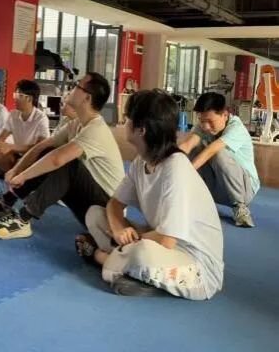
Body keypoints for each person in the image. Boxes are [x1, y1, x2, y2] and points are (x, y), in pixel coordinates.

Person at [81, 90, 224, 300]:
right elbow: (114, 204)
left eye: (128, 118)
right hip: (157, 241)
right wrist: (119, 230)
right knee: (95, 214)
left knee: (141, 253)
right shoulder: (141, 162)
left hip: (196, 267)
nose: (125, 122)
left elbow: (167, 241)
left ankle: (100, 257)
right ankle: (127, 270)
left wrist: (128, 241)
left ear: (142, 130)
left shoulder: (175, 168)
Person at [0, 73, 125, 241]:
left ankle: (23, 219)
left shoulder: (96, 130)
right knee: (48, 151)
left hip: (108, 215)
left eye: (77, 85)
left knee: (68, 164)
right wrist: (16, 170)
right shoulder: (75, 124)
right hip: (88, 205)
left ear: (87, 98)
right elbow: (41, 147)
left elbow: (58, 159)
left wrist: (23, 175)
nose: (71, 88)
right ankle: (7, 200)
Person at [179, 92, 259, 227]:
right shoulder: (202, 126)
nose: (205, 126)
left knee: (217, 153)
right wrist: (165, 165)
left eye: (210, 121)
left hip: (245, 190)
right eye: (201, 120)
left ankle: (240, 208)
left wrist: (182, 173)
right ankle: (200, 200)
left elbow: (211, 151)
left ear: (225, 115)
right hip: (220, 188)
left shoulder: (236, 128)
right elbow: (187, 145)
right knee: (193, 150)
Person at [0, 79, 50, 177]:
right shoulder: (13, 114)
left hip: (31, 157)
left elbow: (40, 147)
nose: (15, 98)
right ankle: (14, 172)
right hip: (15, 155)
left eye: (19, 95)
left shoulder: (41, 118)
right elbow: (0, 138)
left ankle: (7, 170)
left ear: (29, 99)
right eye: (15, 95)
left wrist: (11, 147)